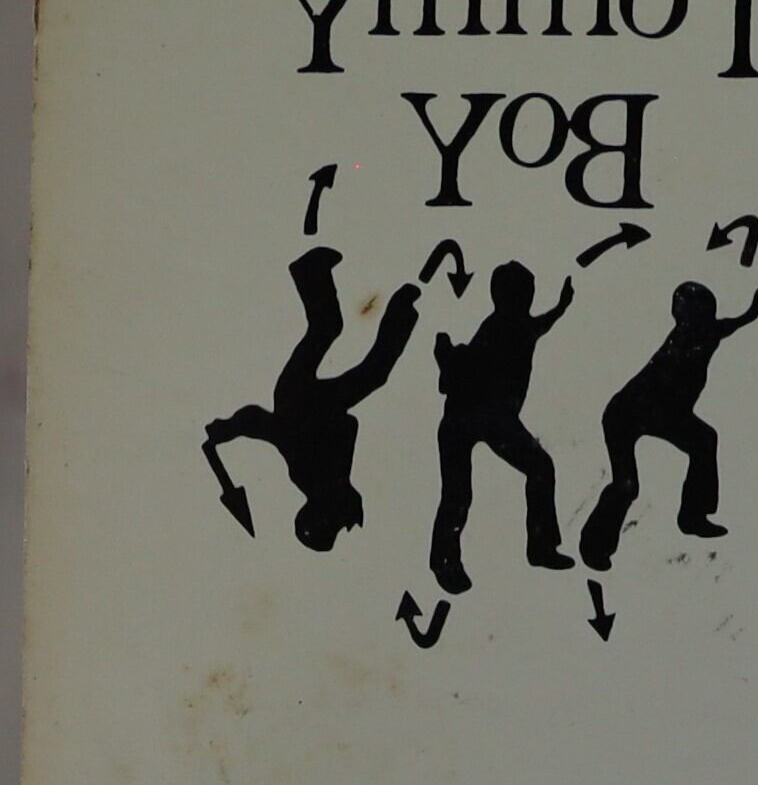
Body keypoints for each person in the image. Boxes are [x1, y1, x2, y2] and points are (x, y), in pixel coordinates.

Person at [202, 247, 424, 551]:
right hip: (319, 403)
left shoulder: (310, 474)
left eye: (336, 524)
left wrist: (229, 427)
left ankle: (312, 273)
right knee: (362, 360)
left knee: (330, 332)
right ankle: (398, 306)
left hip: (298, 396)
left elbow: (264, 423)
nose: (343, 521)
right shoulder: (333, 480)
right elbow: (347, 426)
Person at [580, 283, 758, 571]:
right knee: (627, 485)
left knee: (704, 440)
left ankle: (693, 516)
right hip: (627, 414)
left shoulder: (707, 333)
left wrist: (749, 314)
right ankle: (594, 546)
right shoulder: (680, 342)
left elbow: (727, 325)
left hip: (663, 413)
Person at [428, 260, 575, 595]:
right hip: (477, 417)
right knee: (465, 492)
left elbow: (540, 325)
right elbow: (468, 367)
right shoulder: (504, 327)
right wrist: (447, 357)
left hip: (480, 418)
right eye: (525, 292)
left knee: (464, 491)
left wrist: (561, 307)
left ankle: (536, 547)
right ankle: (448, 560)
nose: (528, 298)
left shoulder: (514, 324)